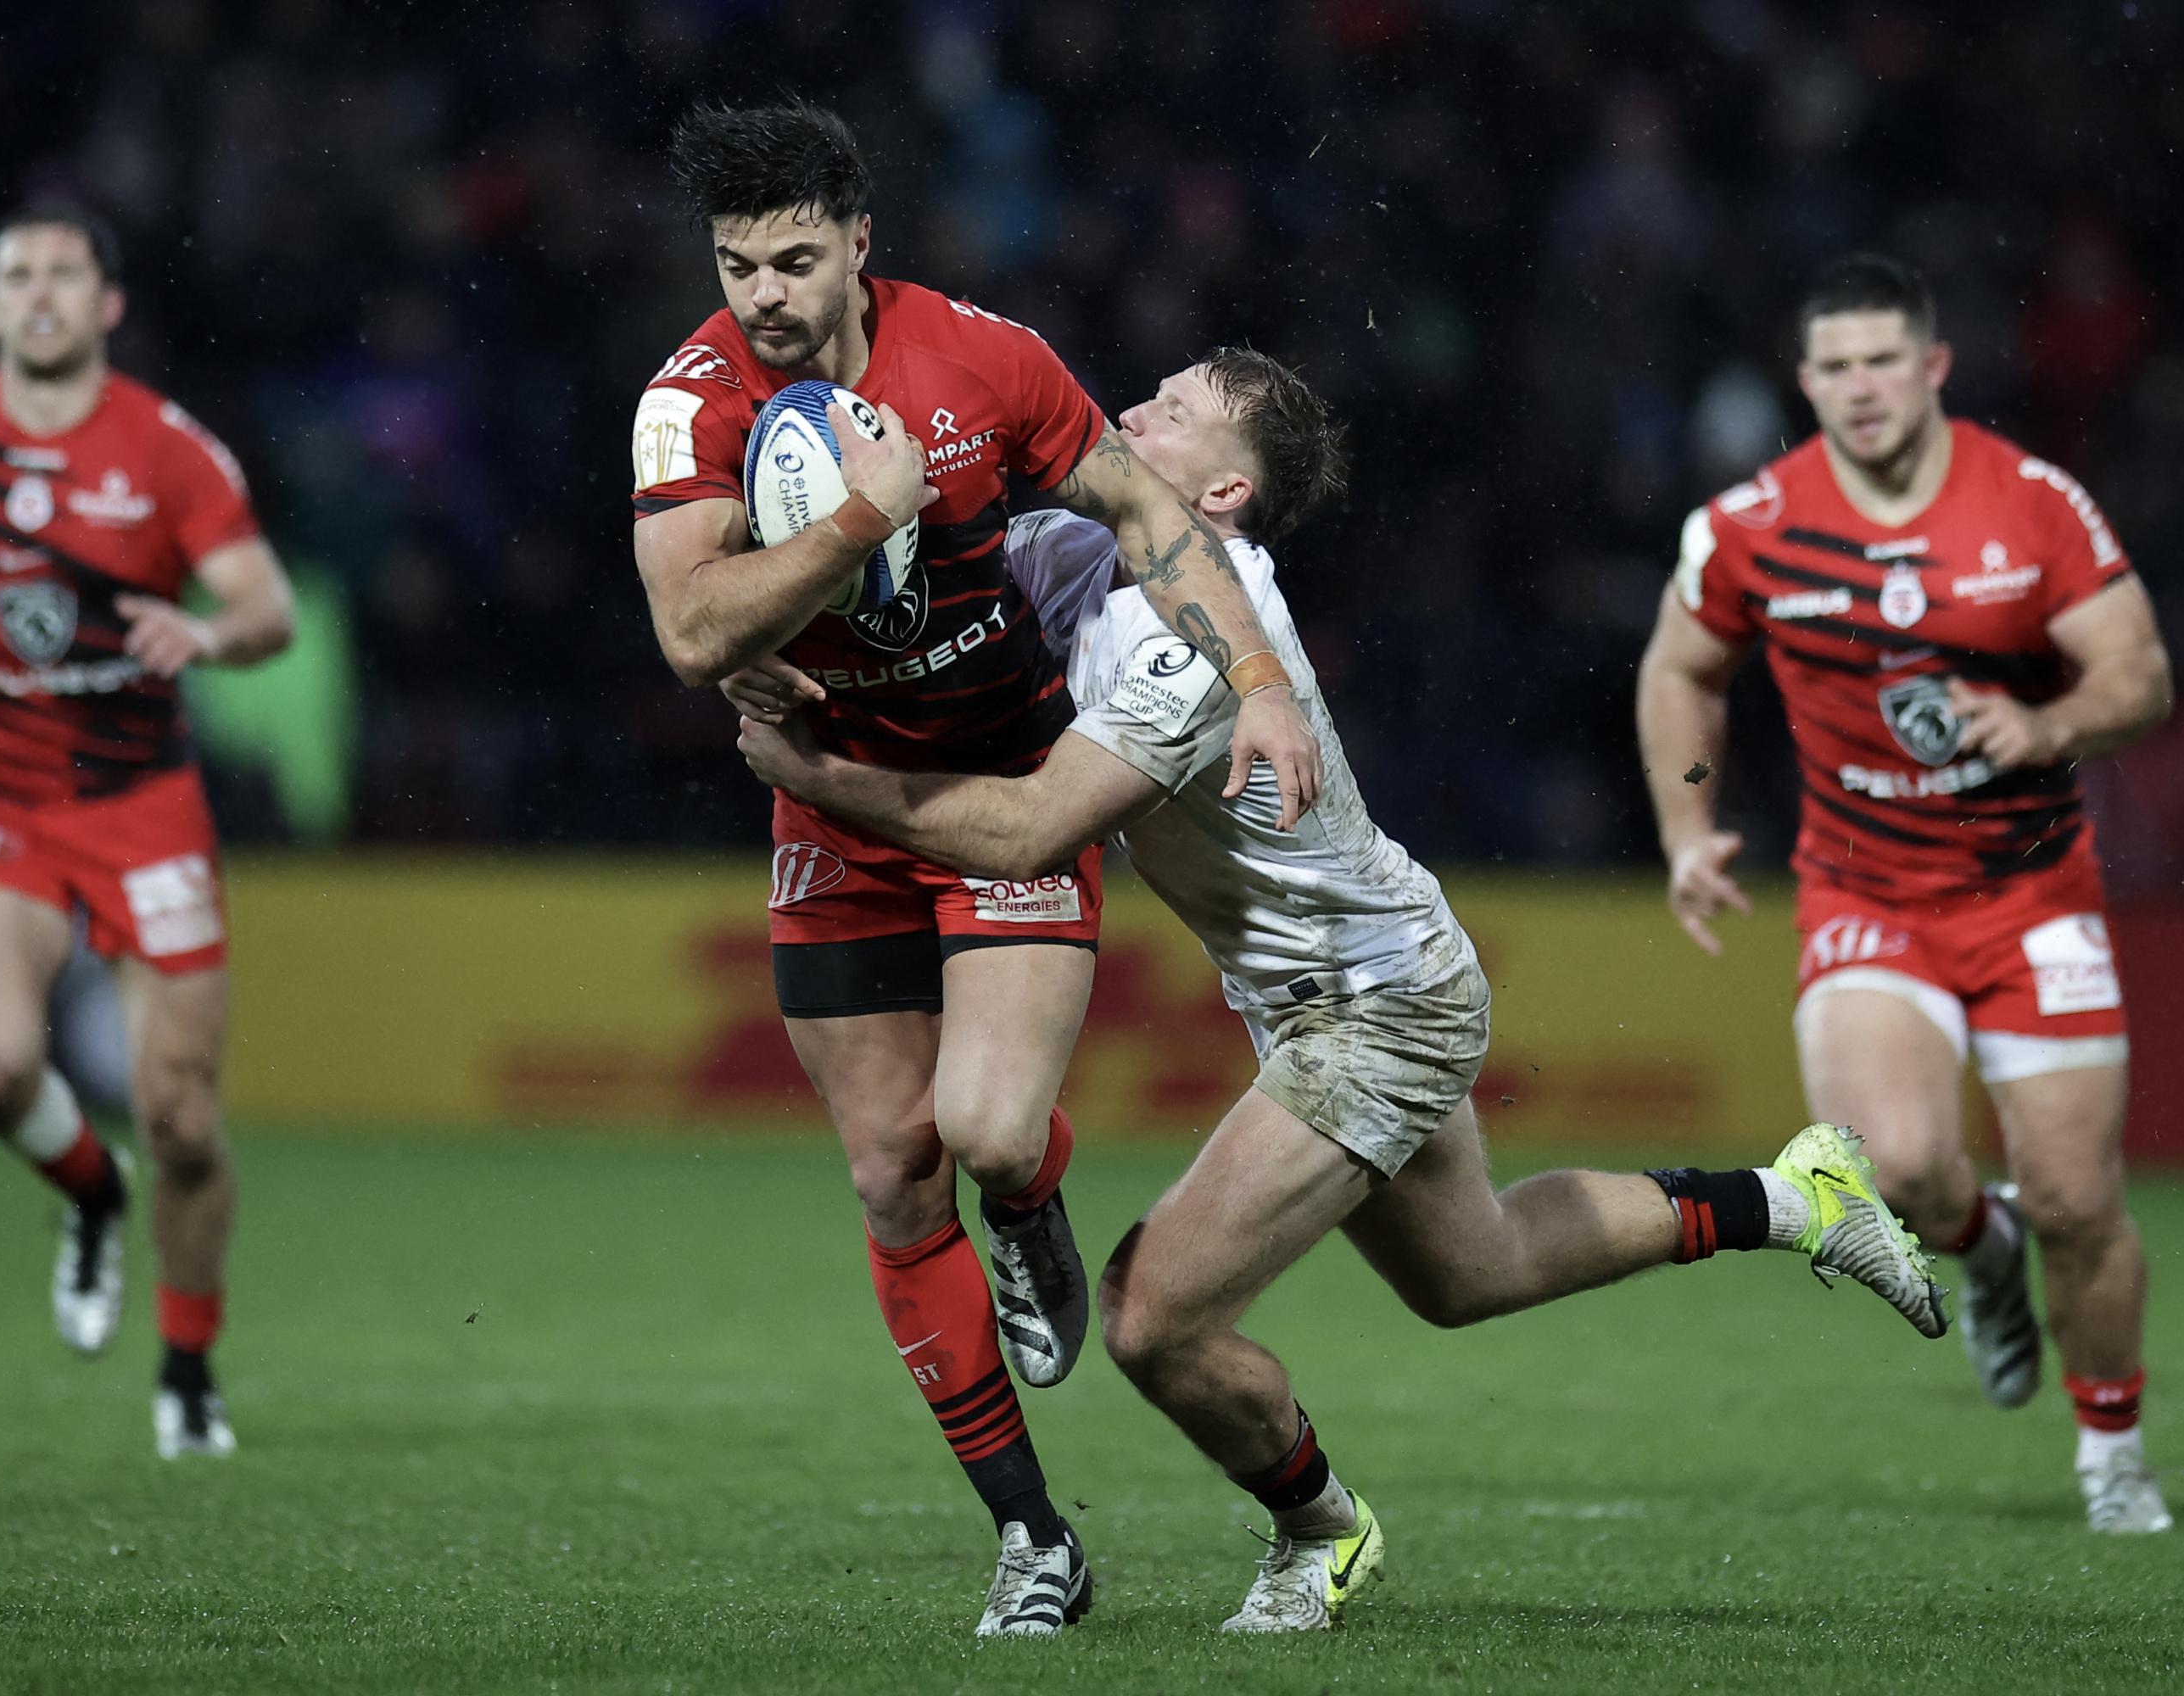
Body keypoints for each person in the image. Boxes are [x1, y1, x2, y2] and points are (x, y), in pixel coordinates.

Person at [732, 348, 1946, 1632]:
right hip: (1356, 975)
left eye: (1172, 413)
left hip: (1378, 1006)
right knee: (1470, 1270)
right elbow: (918, 612)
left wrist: (818, 775)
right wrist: (774, 633)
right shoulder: (1079, 546)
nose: (1129, 411)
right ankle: (1789, 1197)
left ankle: (1320, 1530)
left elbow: (1032, 832)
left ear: (1223, 495)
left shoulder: (1196, 634)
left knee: (1153, 1318)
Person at [629, 101, 1323, 1638]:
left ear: (862, 242)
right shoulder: (689, 407)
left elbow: (1147, 509)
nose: (766, 296)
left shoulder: (983, 359)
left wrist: (1261, 682)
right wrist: (859, 524)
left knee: (992, 1135)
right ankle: (1036, 1543)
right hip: (836, 810)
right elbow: (691, 636)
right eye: (739, 264)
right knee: (890, 1171)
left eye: (797, 260)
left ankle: (1031, 1209)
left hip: (1002, 769)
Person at [1634, 254, 2176, 1533]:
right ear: (1806, 381)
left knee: (2079, 1201)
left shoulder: (2033, 505)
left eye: (1887, 359)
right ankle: (1984, 1260)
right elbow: (1680, 672)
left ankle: (2112, 1452)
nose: (1863, 386)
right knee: (1910, 1174)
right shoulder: (1753, 522)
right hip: (1864, 894)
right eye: (1837, 366)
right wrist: (1687, 823)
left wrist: (2045, 729)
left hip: (2034, 896)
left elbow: (2140, 678)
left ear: (1933, 367)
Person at [0, 204, 295, 1460]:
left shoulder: (169, 451)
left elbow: (266, 607)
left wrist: (207, 634)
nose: (38, 293)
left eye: (63, 275)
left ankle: (187, 1365)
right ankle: (91, 1194)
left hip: (144, 806)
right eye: (14, 273)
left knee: (183, 1115)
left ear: (107, 306)